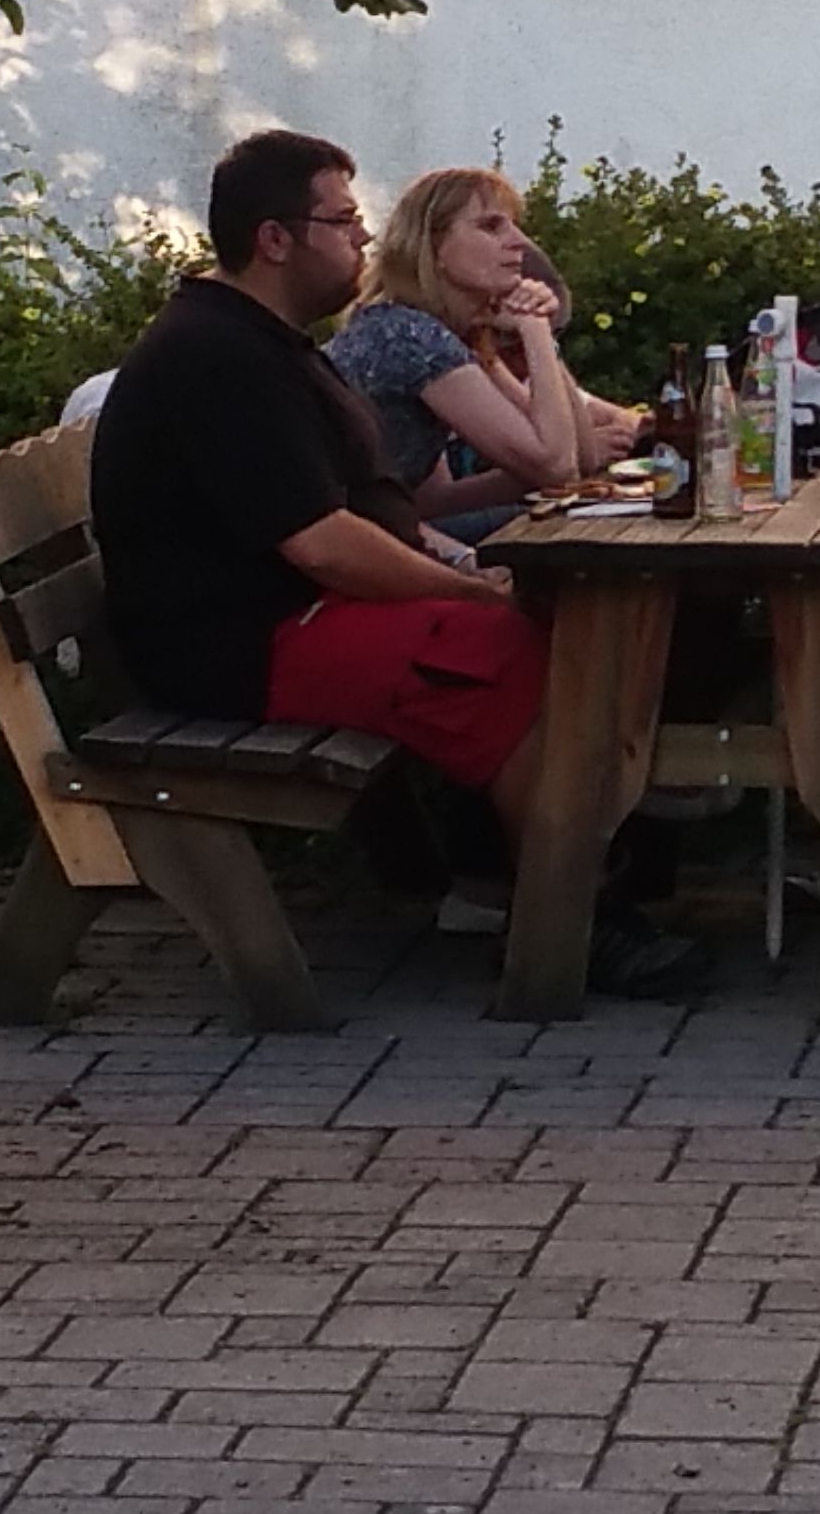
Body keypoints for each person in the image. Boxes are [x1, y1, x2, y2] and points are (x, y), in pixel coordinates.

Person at [89, 129, 708, 1000]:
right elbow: (324, 544)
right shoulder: (218, 357)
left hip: (286, 617)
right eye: (342, 221)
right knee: (496, 647)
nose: (363, 237)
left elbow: (378, 511)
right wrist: (468, 587)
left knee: (528, 629)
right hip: (238, 648)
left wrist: (467, 575)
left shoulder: (265, 341)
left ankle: (528, 881)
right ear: (275, 239)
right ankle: (571, 922)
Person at [328, 166, 645, 534]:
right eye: (492, 226)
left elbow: (431, 499)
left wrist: (541, 342)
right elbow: (557, 466)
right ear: (433, 246)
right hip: (337, 553)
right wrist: (535, 326)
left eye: (514, 226)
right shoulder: (407, 336)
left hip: (377, 535)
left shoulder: (430, 330)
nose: (519, 242)